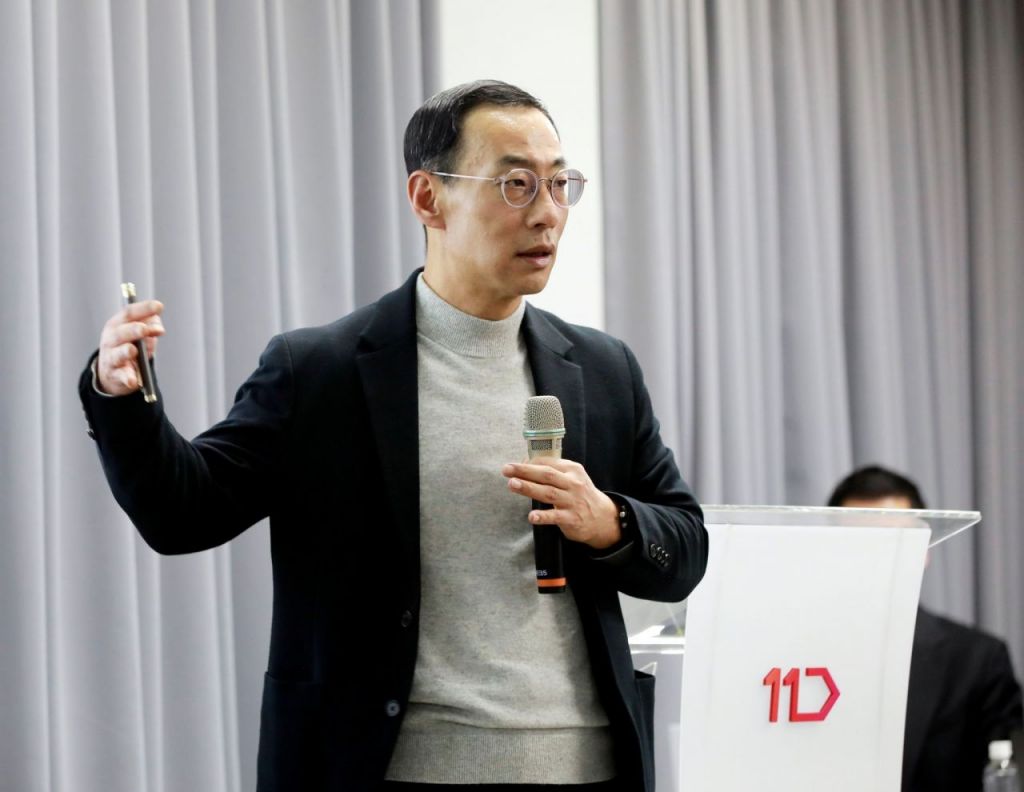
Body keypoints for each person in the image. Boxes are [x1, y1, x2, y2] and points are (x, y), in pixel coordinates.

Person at [79, 79, 708, 792]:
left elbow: (685, 547)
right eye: (516, 185)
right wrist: (122, 400)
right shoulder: (321, 371)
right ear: (427, 197)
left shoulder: (602, 367)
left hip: (587, 767)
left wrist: (610, 522)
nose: (547, 213)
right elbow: (183, 513)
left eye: (560, 184)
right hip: (392, 769)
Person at [828, 465, 1023, 792]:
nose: (877, 557)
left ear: (925, 551)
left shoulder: (976, 660)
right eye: (860, 542)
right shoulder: (793, 651)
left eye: (896, 541)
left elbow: (1005, 771)